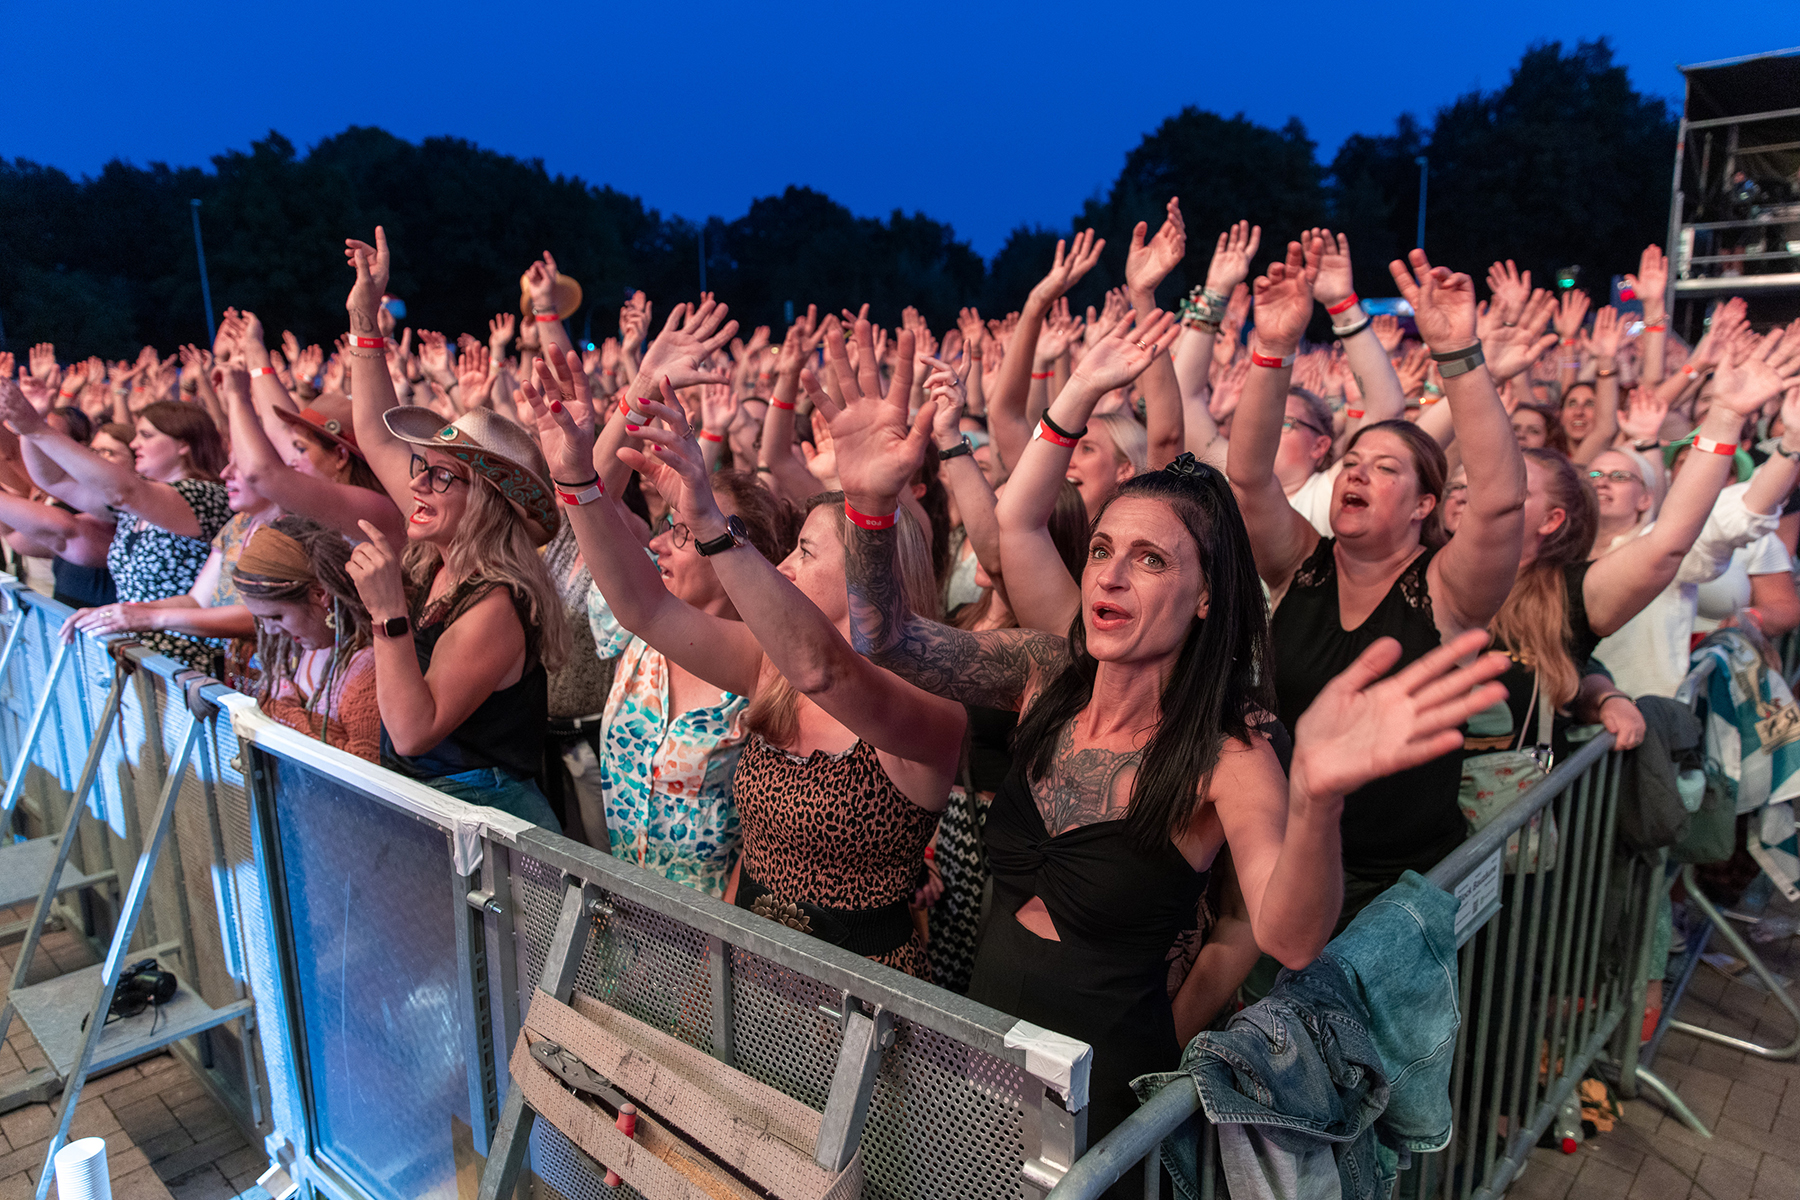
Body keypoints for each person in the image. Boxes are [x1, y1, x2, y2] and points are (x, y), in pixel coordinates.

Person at [832, 311, 1509, 1184]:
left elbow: (1289, 938)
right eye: (1103, 549)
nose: (1110, 575)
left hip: (1106, 1096)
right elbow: (886, 639)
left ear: (1205, 595)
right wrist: (870, 510)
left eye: (1150, 559)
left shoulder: (1228, 754)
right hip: (978, 1047)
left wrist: (1317, 796)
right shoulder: (1044, 671)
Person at [521, 317, 965, 980]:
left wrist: (708, 521)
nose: (783, 566)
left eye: (805, 552)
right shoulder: (771, 670)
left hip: (861, 998)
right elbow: (644, 608)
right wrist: (577, 481)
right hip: (746, 975)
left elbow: (827, 672)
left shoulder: (932, 709)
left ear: (871, 571)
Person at [1226, 241, 1527, 923]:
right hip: (1287, 857)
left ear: (1425, 505)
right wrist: (1273, 347)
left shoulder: (1447, 591)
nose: (1358, 472)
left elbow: (1502, 502)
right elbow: (1247, 478)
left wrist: (1458, 354)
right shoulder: (1300, 562)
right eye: (1354, 461)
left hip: (1398, 889)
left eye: (1387, 469)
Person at [339, 227, 569, 825]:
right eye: (422, 468)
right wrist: (365, 319)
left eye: (440, 475)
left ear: (487, 502)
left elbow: (413, 732)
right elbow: (375, 434)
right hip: (442, 815)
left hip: (489, 828)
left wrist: (388, 614)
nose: (417, 484)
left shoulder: (494, 607)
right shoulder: (446, 552)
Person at [1, 384, 232, 671]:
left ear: (184, 444)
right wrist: (28, 428)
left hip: (185, 662)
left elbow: (124, 492)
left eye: (146, 435)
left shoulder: (205, 496)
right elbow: (54, 479)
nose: (135, 444)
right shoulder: (136, 506)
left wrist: (37, 428)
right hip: (140, 656)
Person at [232, 516, 380, 761]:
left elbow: (364, 765)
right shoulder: (293, 646)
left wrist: (285, 714)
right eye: (260, 619)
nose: (269, 631)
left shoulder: (367, 666)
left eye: (276, 616)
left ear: (320, 593)